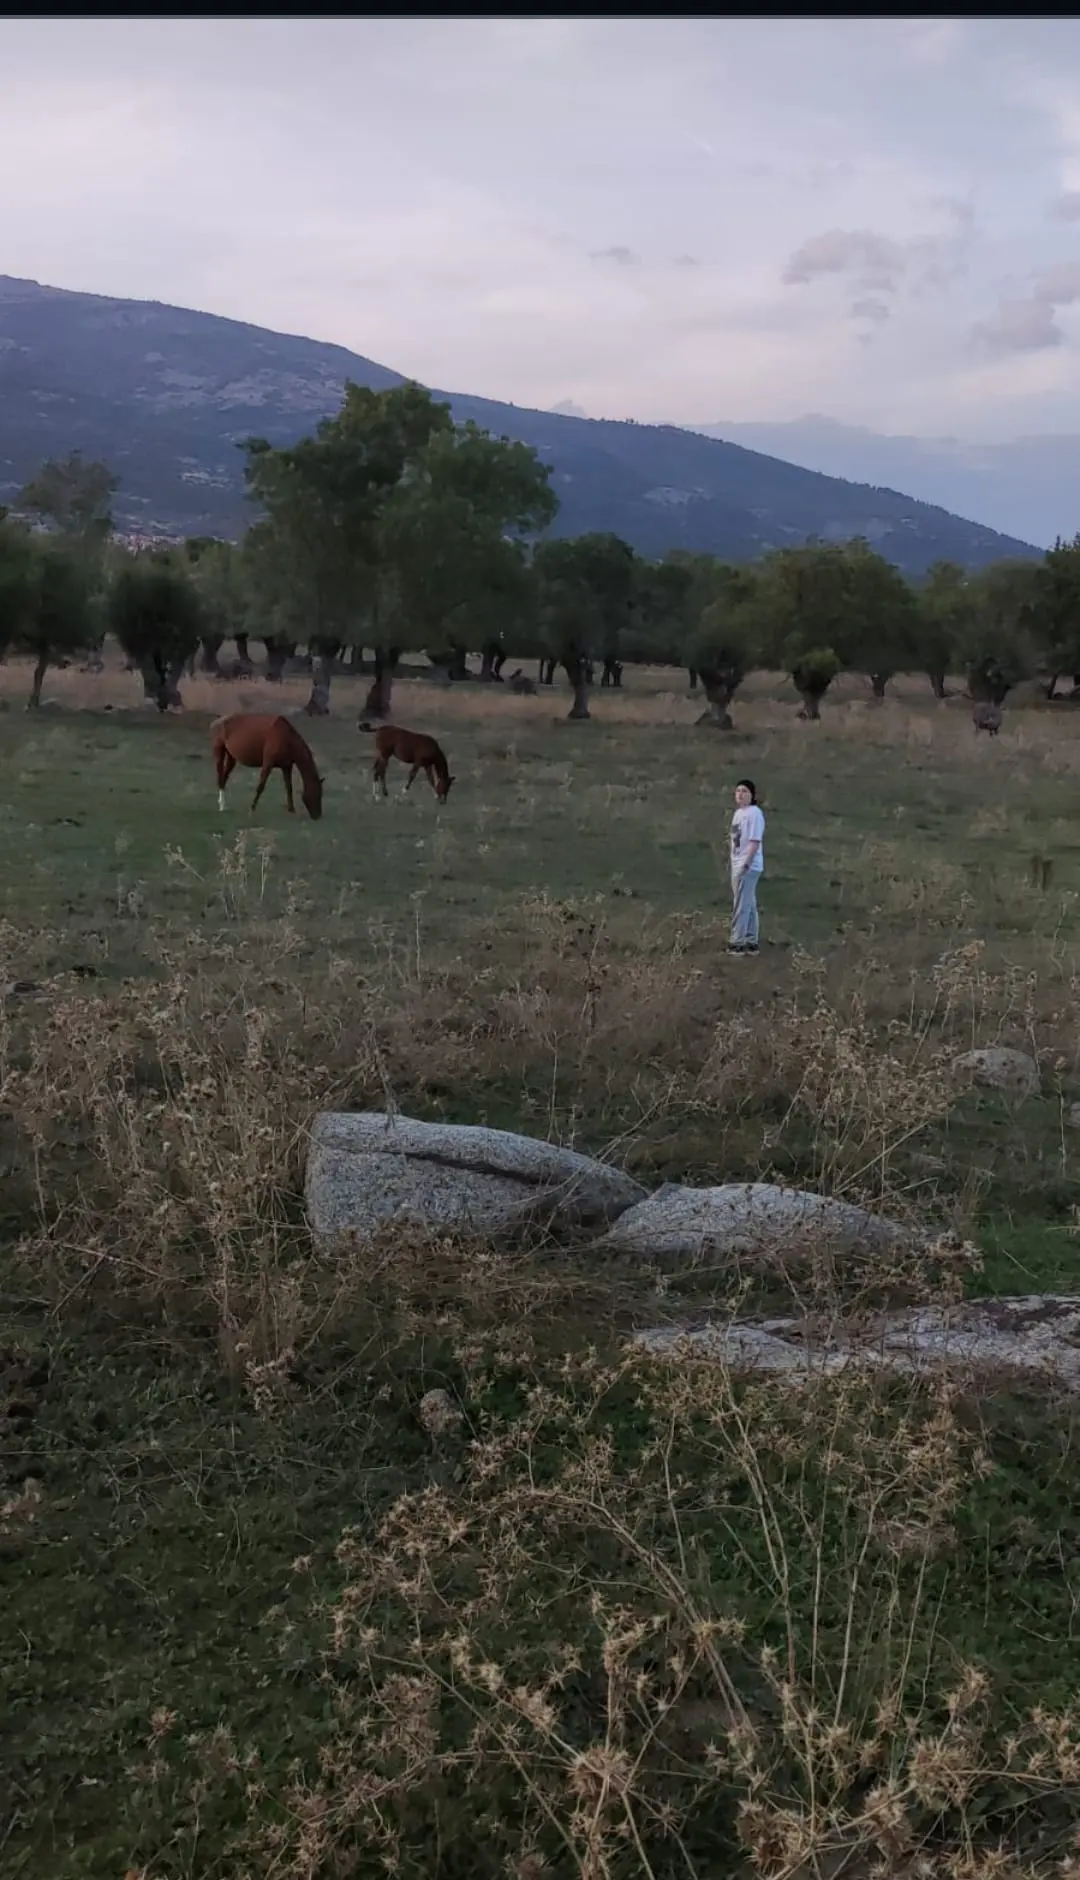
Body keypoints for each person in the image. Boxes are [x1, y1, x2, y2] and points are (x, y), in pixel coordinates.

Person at [729, 778, 765, 955]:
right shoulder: (738, 814)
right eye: (738, 791)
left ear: (752, 795)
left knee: (741, 904)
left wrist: (746, 863)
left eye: (745, 791)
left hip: (747, 865)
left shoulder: (754, 813)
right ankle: (751, 941)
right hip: (738, 862)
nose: (740, 794)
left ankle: (737, 942)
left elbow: (754, 841)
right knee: (748, 902)